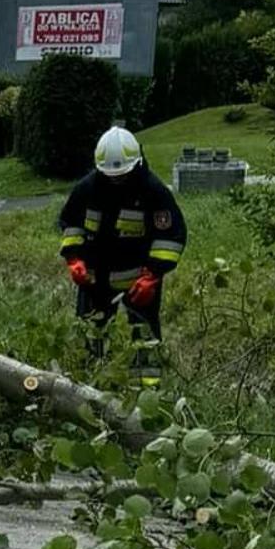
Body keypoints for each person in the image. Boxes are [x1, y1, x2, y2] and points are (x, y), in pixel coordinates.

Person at [57, 126, 187, 387]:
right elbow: (71, 223)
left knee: (145, 336)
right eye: (109, 175)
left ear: (136, 164)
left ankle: (148, 391)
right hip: (94, 282)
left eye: (122, 175)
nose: (115, 180)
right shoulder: (87, 188)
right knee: (92, 334)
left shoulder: (153, 191)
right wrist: (74, 259)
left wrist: (152, 276)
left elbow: (170, 237)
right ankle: (89, 387)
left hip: (138, 283)